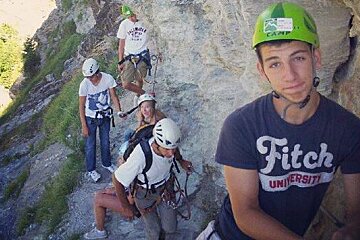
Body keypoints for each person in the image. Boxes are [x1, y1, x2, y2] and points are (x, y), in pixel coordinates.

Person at [197, 2, 360, 240]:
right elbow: (245, 213)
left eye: (299, 58)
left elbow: (356, 212)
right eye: (275, 63)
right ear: (262, 71)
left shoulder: (347, 130)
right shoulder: (242, 126)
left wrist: (352, 230)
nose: (290, 76)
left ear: (317, 57)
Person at [83, 118, 192, 239]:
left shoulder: (168, 147)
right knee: (154, 230)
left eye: (173, 149)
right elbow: (117, 179)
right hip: (145, 194)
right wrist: (126, 207)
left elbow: (173, 150)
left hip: (166, 188)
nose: (171, 153)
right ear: (156, 143)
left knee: (170, 228)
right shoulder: (141, 156)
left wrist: (181, 161)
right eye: (167, 149)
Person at [79, 58, 126, 182]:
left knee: (105, 141)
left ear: (97, 73)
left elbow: (113, 96)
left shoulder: (107, 79)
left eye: (91, 76)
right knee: (90, 145)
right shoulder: (84, 84)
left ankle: (107, 163)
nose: (89, 79)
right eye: (88, 77)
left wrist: (119, 110)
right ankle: (91, 169)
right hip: (91, 118)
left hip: (105, 116)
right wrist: (84, 125)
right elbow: (81, 106)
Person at [117, 5, 152, 102]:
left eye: (132, 16)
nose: (131, 18)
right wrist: (120, 61)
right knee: (126, 84)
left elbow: (154, 35)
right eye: (129, 17)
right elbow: (121, 44)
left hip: (142, 54)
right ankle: (144, 94)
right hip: (129, 56)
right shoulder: (124, 25)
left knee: (140, 79)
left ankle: (138, 96)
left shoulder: (145, 22)